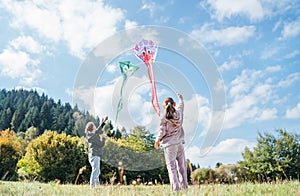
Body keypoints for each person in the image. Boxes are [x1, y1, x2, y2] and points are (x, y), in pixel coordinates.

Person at [154, 93, 188, 191]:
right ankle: (184, 188)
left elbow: (162, 131)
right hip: (180, 144)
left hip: (169, 146)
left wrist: (157, 140)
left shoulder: (164, 117)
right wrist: (181, 99)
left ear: (164, 106)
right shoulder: (179, 113)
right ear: (174, 104)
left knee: (172, 168)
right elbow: (181, 105)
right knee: (182, 167)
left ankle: (176, 189)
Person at [85, 116, 108, 188]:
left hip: (92, 155)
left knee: (97, 171)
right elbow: (101, 144)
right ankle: (92, 187)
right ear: (92, 128)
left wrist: (104, 121)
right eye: (94, 126)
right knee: (95, 171)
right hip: (95, 155)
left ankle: (97, 186)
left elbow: (98, 129)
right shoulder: (93, 136)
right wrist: (104, 138)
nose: (96, 127)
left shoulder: (91, 135)